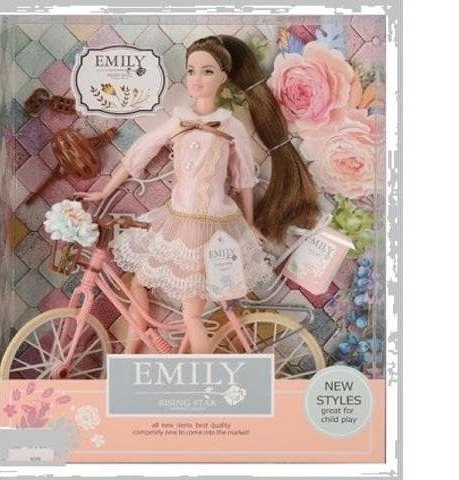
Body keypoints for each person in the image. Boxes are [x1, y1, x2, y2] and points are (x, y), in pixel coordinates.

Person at [74, 35, 319, 353]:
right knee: (137, 283)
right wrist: (104, 191)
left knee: (192, 313)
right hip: (175, 219)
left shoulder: (230, 127)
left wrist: (248, 223)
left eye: (207, 71)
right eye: (191, 70)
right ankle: (132, 354)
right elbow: (139, 153)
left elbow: (244, 179)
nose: (197, 79)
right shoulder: (179, 121)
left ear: (223, 77)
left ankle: (204, 372)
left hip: (211, 227)